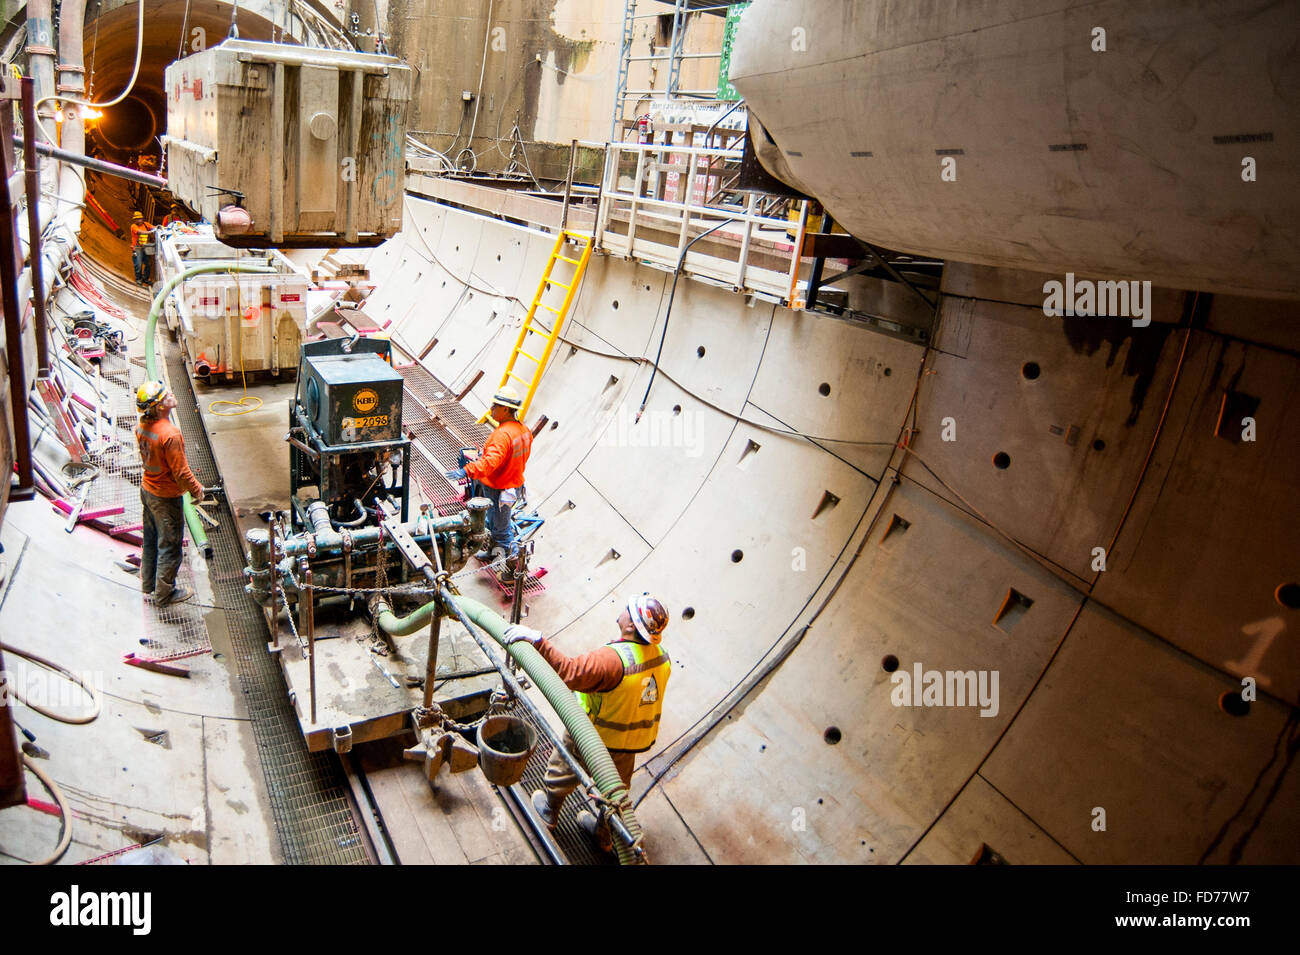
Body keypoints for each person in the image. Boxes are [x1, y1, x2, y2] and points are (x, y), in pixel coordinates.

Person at [506, 594, 671, 852]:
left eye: (628, 609)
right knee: (614, 793)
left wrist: (537, 640)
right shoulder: (661, 655)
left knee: (562, 771)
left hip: (593, 737)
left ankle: (549, 812)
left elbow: (569, 673)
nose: (624, 610)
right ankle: (604, 836)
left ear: (630, 626)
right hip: (629, 742)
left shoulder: (613, 660)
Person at [133, 380, 205, 606]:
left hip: (147, 491)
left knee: (152, 539)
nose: (171, 395)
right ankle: (165, 594)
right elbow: (181, 472)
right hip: (165, 497)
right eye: (165, 396)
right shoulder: (170, 435)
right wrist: (197, 490)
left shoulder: (142, 426)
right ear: (159, 407)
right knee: (170, 545)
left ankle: (149, 585)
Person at [444, 386, 531, 559]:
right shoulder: (523, 430)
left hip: (501, 488)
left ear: (506, 409)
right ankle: (494, 553)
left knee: (501, 528)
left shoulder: (502, 435)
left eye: (495, 406)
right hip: (513, 484)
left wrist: (466, 470)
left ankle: (510, 564)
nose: (491, 408)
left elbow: (491, 462)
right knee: (494, 522)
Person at [130, 212, 155, 286]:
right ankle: (138, 279)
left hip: (145, 247)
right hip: (137, 248)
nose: (139, 220)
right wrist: (150, 232)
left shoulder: (146, 224)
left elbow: (153, 227)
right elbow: (140, 232)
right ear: (135, 220)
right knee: (138, 264)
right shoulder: (133, 226)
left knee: (148, 264)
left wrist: (158, 228)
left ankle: (145, 278)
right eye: (137, 219)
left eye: (140, 219)